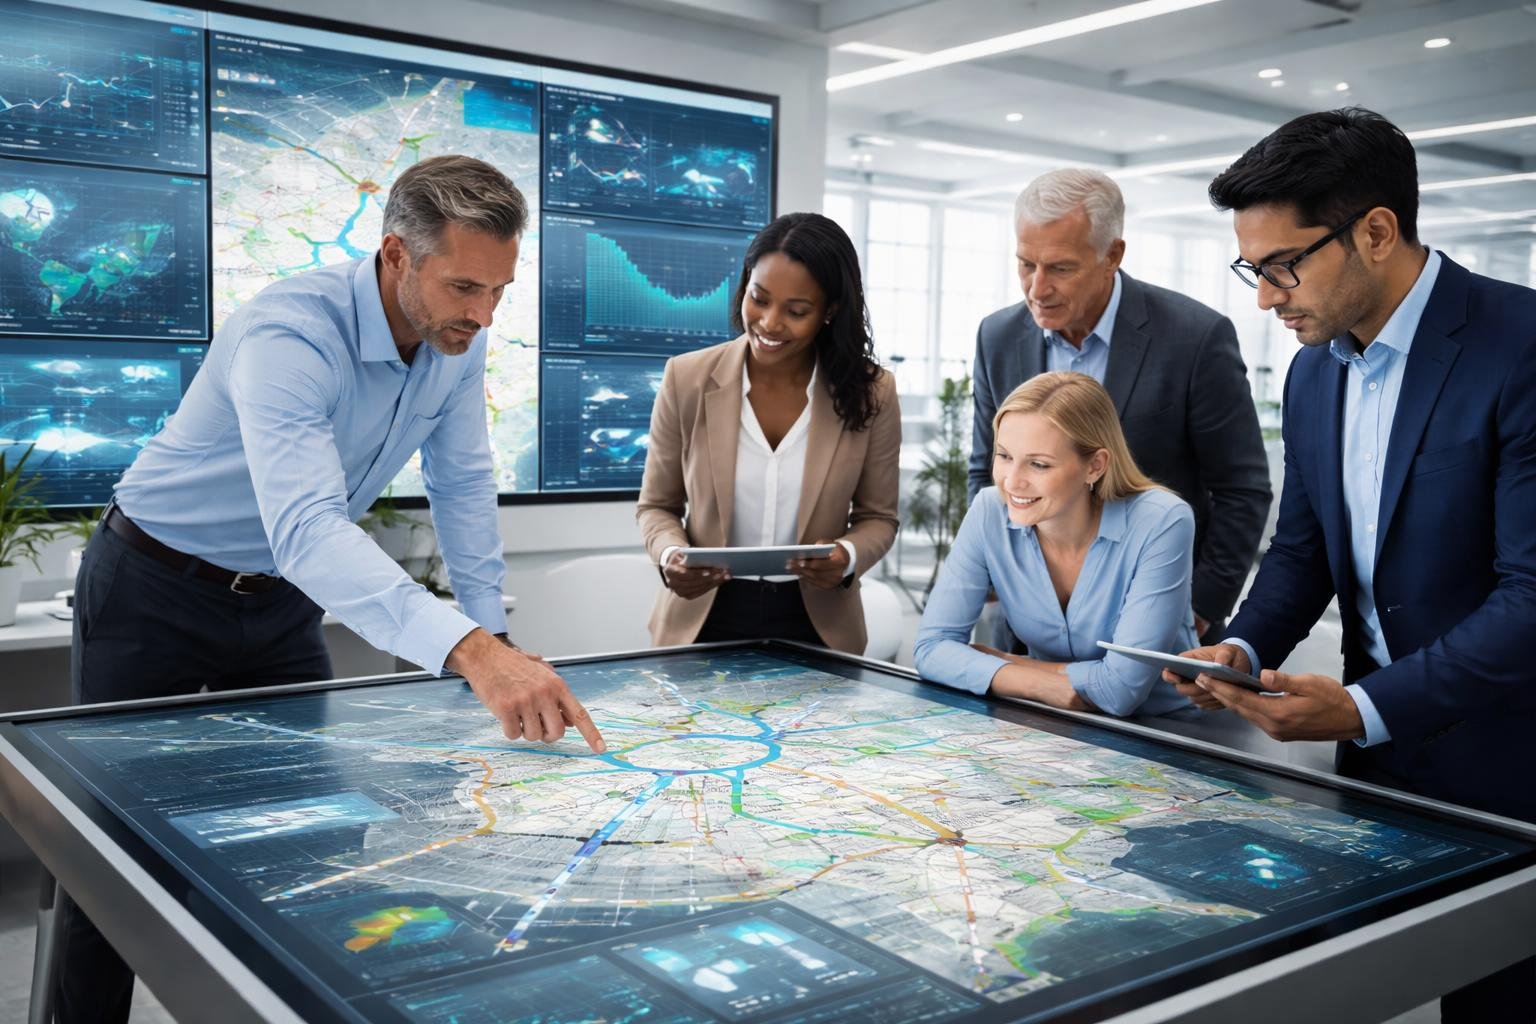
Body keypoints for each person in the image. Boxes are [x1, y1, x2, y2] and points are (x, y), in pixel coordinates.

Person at [60, 155, 605, 1024]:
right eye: (466, 286)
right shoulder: (290, 332)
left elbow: (461, 487)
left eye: (499, 290)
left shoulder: (459, 340)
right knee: (120, 851)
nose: (483, 312)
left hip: (277, 603)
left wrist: (492, 637)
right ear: (397, 255)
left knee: (316, 838)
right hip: (152, 585)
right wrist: (470, 653)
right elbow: (309, 526)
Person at [1166, 107, 1536, 1021]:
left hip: (1510, 759)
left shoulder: (1519, 345)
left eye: (1285, 266)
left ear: (1376, 231)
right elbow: (1304, 547)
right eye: (1254, 270)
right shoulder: (1314, 369)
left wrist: (1365, 705)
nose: (1266, 297)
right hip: (1379, 761)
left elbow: (1533, 596)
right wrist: (1244, 647)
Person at [969, 169, 1270, 643]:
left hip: (1160, 618)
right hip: (1030, 621)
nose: (1037, 288)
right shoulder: (998, 337)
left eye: (1061, 268)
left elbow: (1242, 490)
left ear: (1112, 255)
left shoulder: (1195, 338)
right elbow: (985, 472)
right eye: (1026, 264)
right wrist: (999, 575)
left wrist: (1198, 607)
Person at [636, 212, 900, 654]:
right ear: (744, 287)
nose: (770, 323)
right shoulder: (686, 378)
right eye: (759, 299)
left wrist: (846, 556)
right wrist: (670, 556)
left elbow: (879, 517)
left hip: (818, 622)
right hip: (702, 615)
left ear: (830, 311)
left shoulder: (873, 392)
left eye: (797, 311)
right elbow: (657, 506)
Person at [916, 372, 1200, 718]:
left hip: (1166, 734)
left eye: (1038, 464)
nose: (1012, 481)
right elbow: (931, 649)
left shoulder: (1162, 521)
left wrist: (1005, 664)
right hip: (1050, 721)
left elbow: (1120, 690)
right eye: (1004, 456)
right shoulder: (989, 509)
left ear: (1094, 466)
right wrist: (1038, 683)